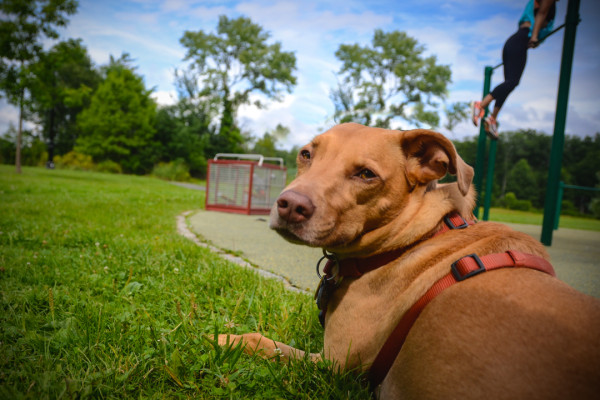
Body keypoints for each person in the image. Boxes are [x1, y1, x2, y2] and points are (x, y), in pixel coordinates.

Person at [471, 0, 558, 139]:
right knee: (512, 82)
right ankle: (481, 105)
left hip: (517, 42)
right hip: (520, 40)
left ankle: (492, 118)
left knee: (509, 84)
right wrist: (535, 36)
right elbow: (542, 13)